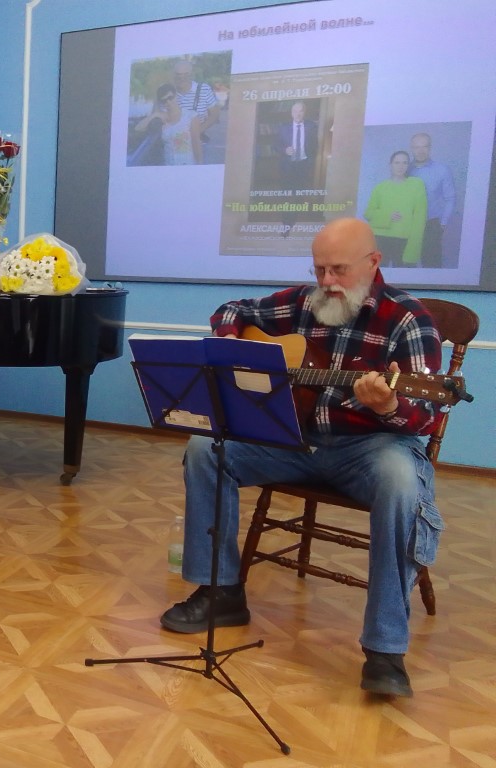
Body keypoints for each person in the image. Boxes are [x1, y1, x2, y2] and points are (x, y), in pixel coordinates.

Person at [159, 218, 443, 698]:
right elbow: (232, 309)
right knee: (206, 446)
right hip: (296, 441)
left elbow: (426, 416)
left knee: (402, 481)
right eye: (319, 270)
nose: (327, 282)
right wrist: (231, 340)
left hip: (370, 448)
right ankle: (221, 591)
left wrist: (389, 404)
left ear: (373, 263)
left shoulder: (408, 320)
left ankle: (385, 650)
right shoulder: (301, 303)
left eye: (339, 270)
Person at [363, 150, 428, 267]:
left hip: (404, 240)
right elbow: (368, 213)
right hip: (380, 238)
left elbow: (420, 217)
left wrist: (413, 246)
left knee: (404, 273)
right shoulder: (380, 187)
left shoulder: (417, 185)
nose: (400, 166)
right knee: (378, 274)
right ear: (390, 165)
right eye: (397, 163)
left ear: (408, 165)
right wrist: (388, 216)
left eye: (404, 163)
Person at [407, 133, 456, 269]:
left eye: (425, 146)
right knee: (406, 266)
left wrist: (443, 223)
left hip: (431, 225)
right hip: (406, 225)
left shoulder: (442, 170)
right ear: (411, 148)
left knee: (432, 265)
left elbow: (450, 198)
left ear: (430, 148)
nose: (420, 151)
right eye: (417, 147)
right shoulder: (404, 169)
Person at [274, 101, 318, 232]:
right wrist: (284, 150)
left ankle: (293, 218)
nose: (298, 114)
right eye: (295, 111)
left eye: (301, 111)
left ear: (304, 112)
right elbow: (275, 146)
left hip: (304, 166)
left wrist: (311, 160)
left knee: (299, 194)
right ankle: (286, 223)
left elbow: (315, 145)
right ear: (291, 113)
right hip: (287, 166)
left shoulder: (311, 126)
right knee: (287, 195)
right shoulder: (283, 127)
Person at [135, 84, 202, 166]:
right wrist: (155, 114)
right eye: (164, 101)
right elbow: (138, 128)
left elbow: (197, 145)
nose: (168, 102)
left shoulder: (190, 116)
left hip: (187, 165)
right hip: (168, 166)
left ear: (176, 96)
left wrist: (199, 167)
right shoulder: (162, 117)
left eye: (170, 98)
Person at [171, 59, 220, 145]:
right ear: (174, 75)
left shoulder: (204, 89)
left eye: (186, 74)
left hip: (198, 141)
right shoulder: (168, 92)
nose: (182, 78)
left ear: (191, 74)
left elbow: (215, 114)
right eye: (178, 75)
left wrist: (197, 131)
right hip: (173, 143)